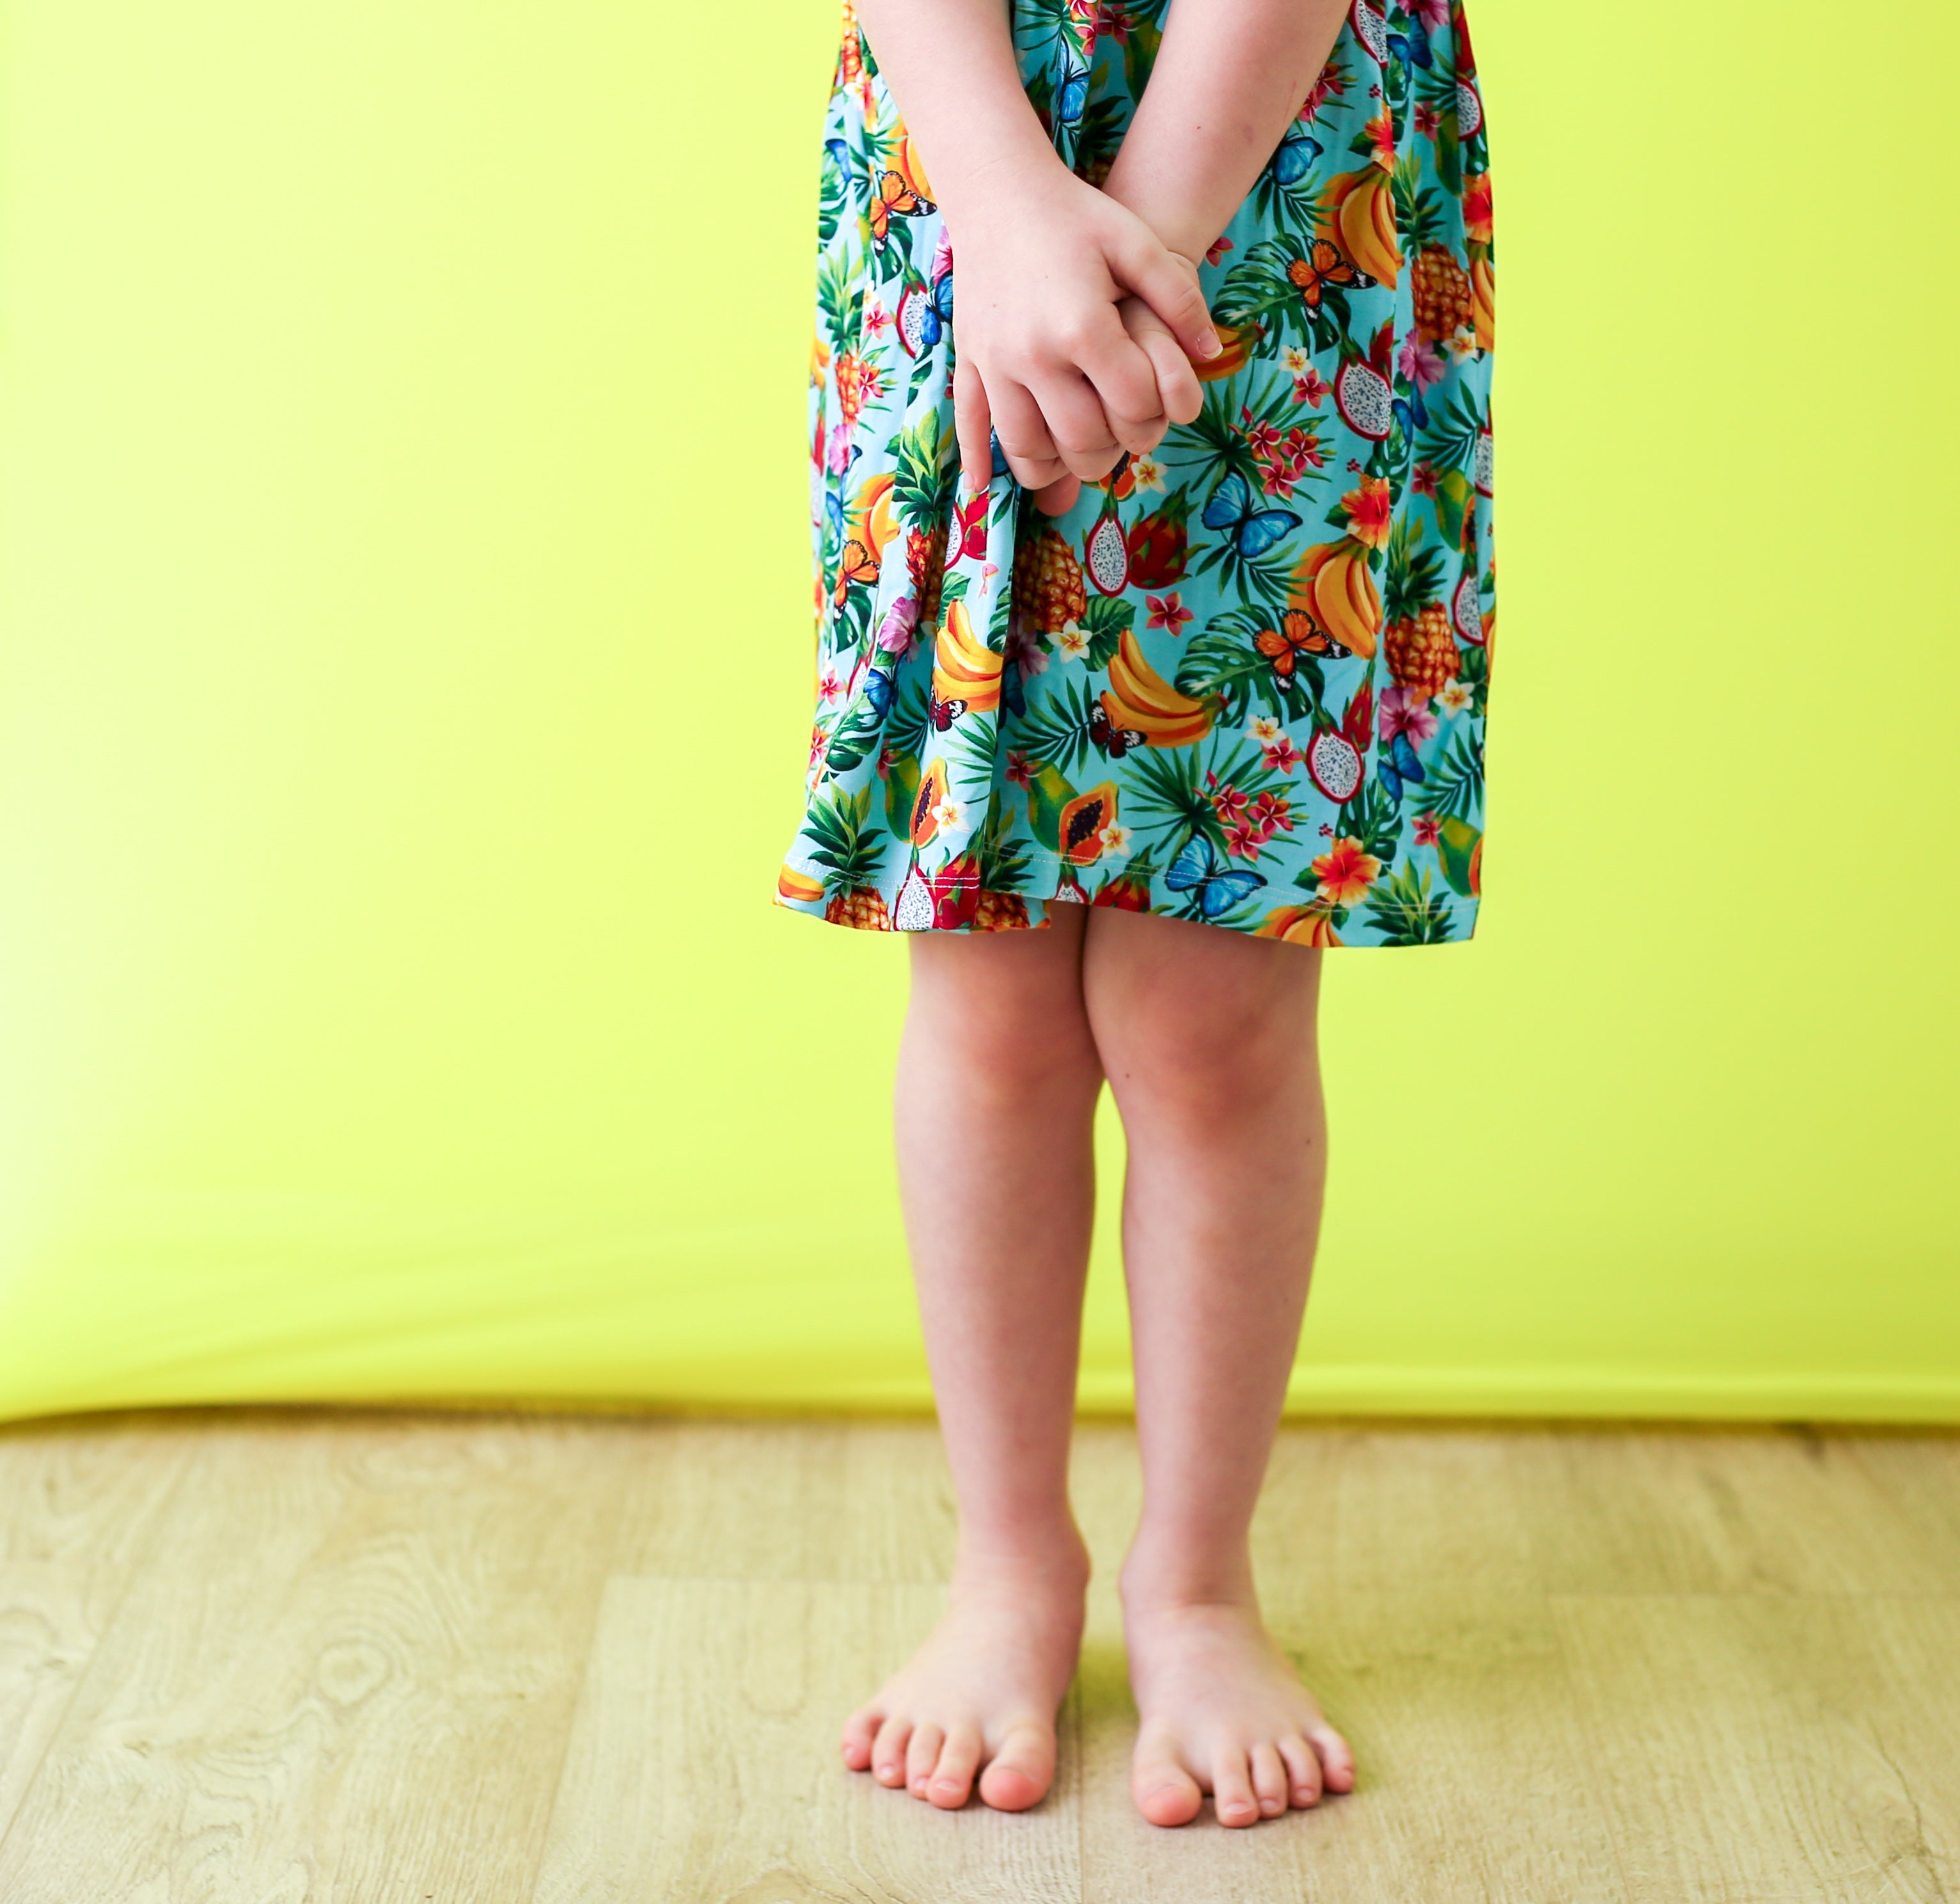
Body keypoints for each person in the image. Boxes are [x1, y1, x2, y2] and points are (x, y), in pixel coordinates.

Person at [775, 0, 1494, 1830]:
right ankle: (1008, 1565)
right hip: (963, 163)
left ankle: (1196, 1579)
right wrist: (1007, 202)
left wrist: (1150, 242)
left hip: (1278, 167)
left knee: (1210, 1005)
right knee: (990, 989)